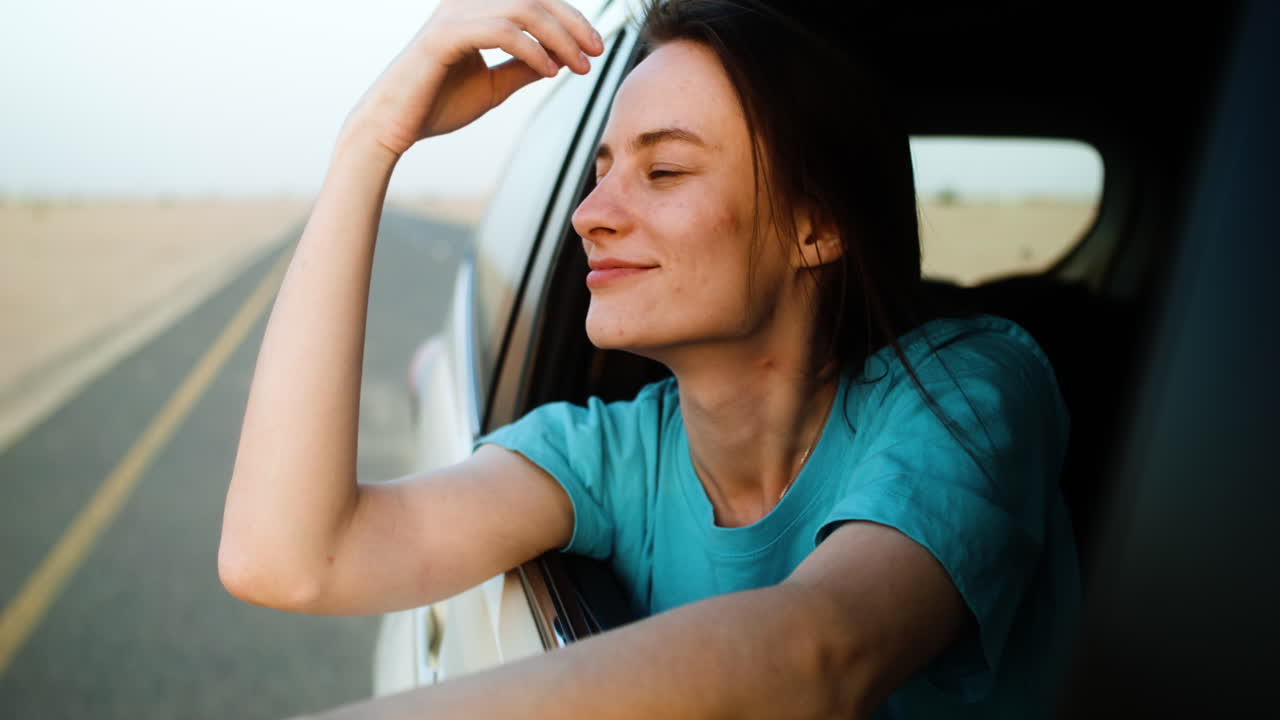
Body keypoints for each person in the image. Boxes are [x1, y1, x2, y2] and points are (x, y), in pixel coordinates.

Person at [218, 0, 1081, 717]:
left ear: (815, 226)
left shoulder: (970, 391)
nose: (590, 213)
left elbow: (824, 649)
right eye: (599, 171)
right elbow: (288, 559)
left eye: (663, 170)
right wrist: (369, 144)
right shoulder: (608, 457)